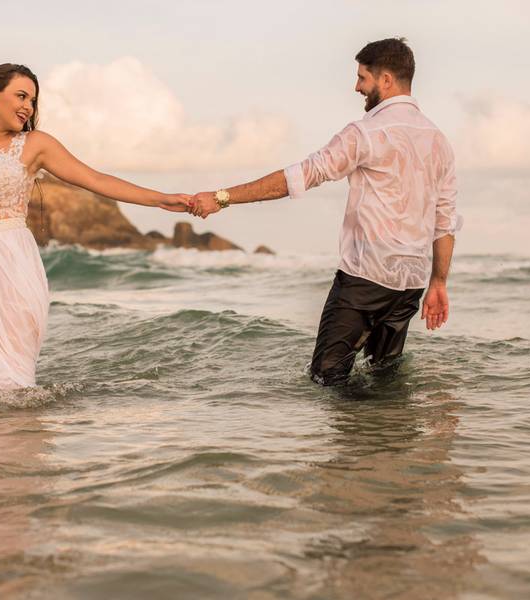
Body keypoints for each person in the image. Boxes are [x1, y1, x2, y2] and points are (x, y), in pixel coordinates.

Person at [0, 63, 191, 398]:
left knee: (5, 384)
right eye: (21, 96)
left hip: (12, 268)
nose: (28, 107)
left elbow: (95, 179)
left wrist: (161, 199)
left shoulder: (35, 144)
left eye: (33, 101)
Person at [189, 37, 462, 385]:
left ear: (386, 80)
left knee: (325, 380)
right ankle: (390, 424)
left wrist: (222, 197)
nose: (357, 87)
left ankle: (350, 424)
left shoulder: (366, 133)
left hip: (364, 278)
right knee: (383, 378)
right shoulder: (439, 141)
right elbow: (444, 221)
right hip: (410, 284)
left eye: (362, 78)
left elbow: (302, 176)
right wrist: (438, 282)